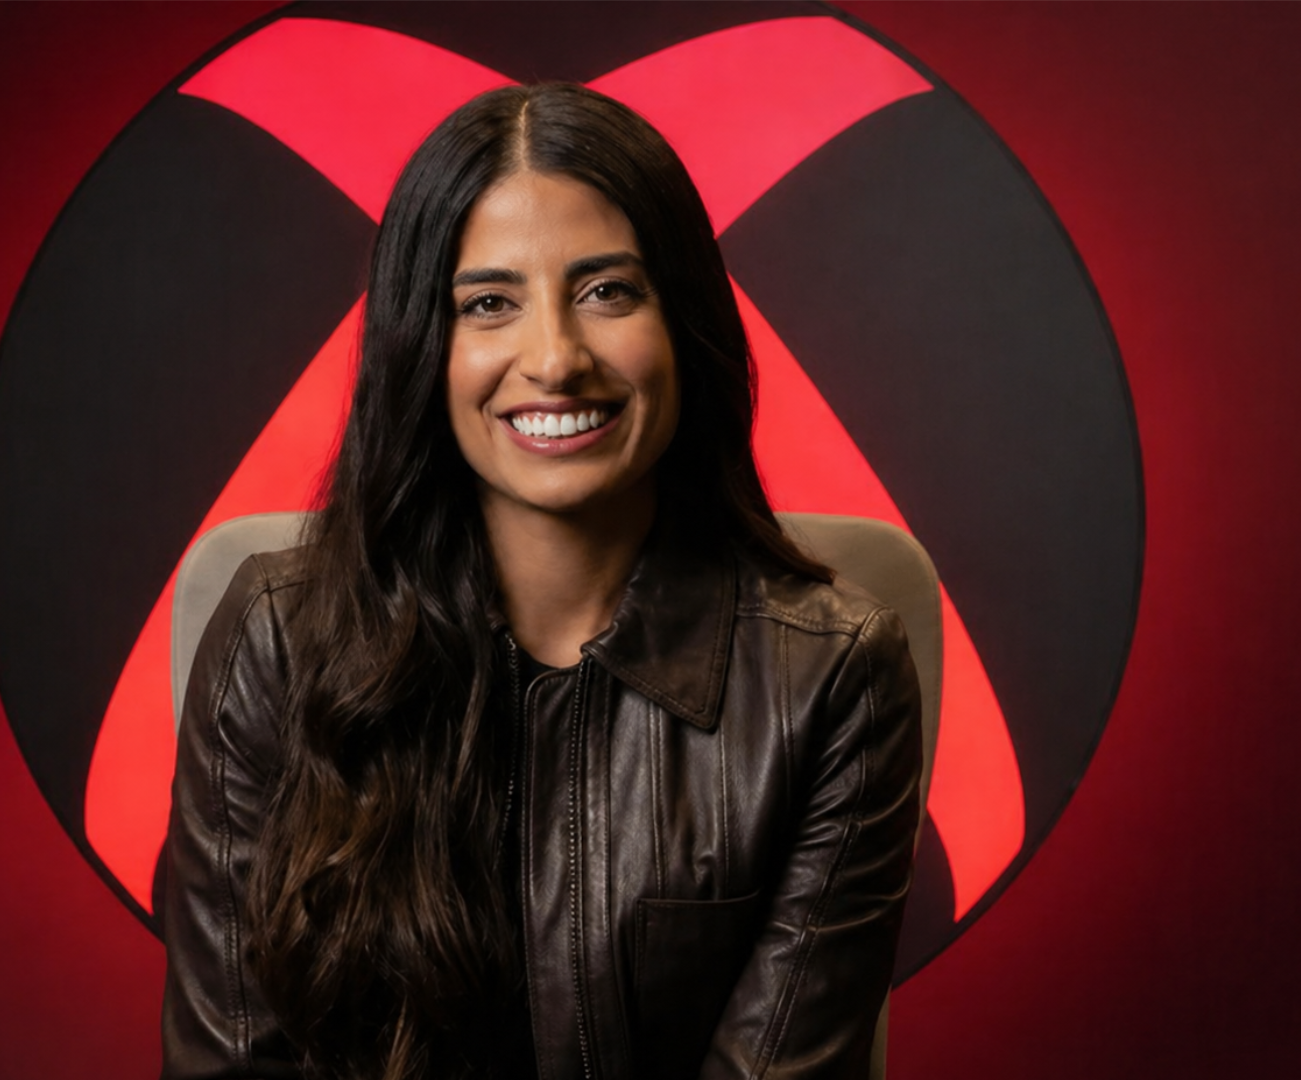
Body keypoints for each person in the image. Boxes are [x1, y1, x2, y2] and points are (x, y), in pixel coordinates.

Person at [161, 83, 922, 1080]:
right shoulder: (274, 638)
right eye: (488, 304)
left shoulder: (834, 676)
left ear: (683, 322)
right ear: (420, 349)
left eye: (609, 291)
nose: (555, 358)